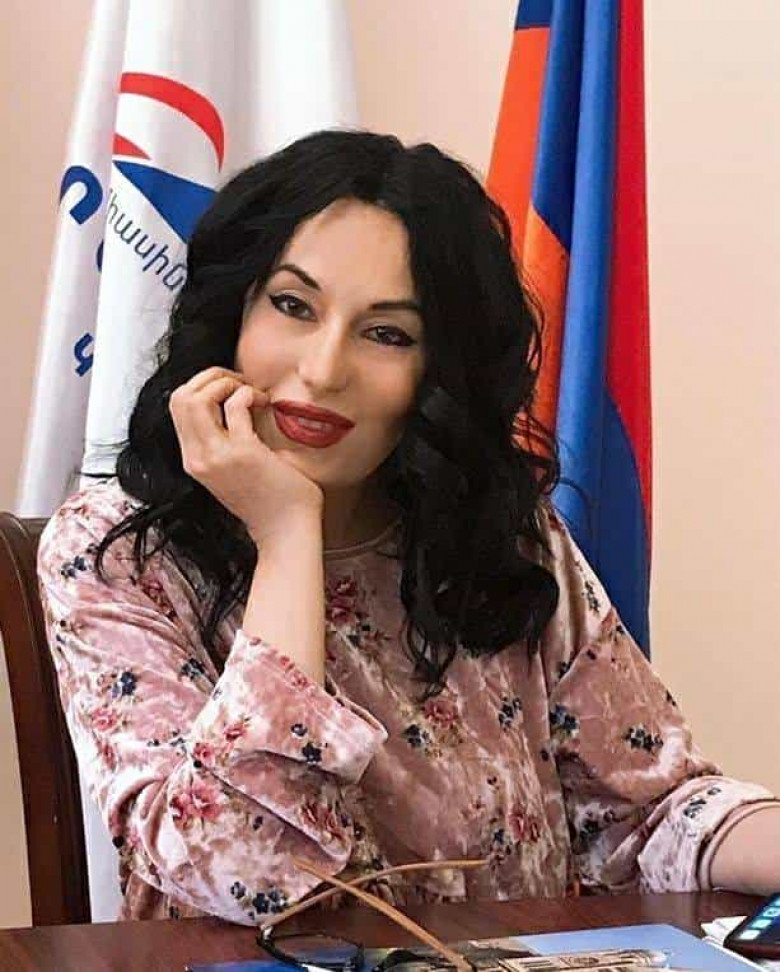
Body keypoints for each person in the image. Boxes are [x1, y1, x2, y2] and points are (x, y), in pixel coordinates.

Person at [36, 129, 780, 926]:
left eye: (387, 334)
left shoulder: (500, 535)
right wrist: (287, 533)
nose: (323, 370)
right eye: (292, 306)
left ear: (439, 372)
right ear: (232, 317)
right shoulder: (115, 554)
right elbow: (249, 873)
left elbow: (650, 810)